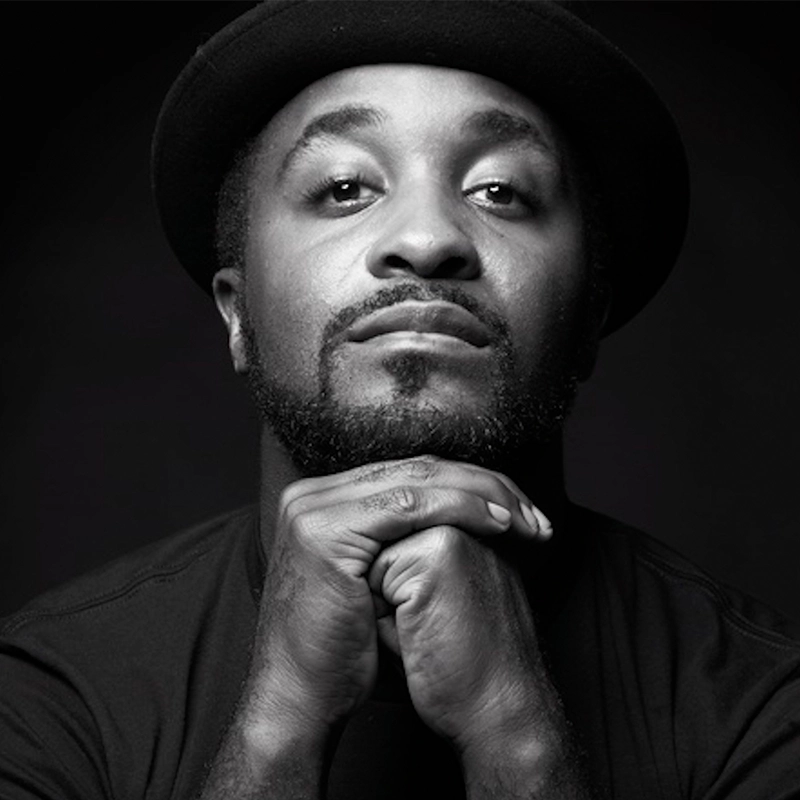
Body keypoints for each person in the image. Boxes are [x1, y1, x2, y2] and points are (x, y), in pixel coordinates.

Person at [1, 2, 799, 799]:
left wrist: (516, 740)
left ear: (589, 319)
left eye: (500, 190)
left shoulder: (763, 708)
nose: (426, 239)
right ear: (238, 313)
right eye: (345, 187)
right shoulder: (49, 699)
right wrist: (277, 734)